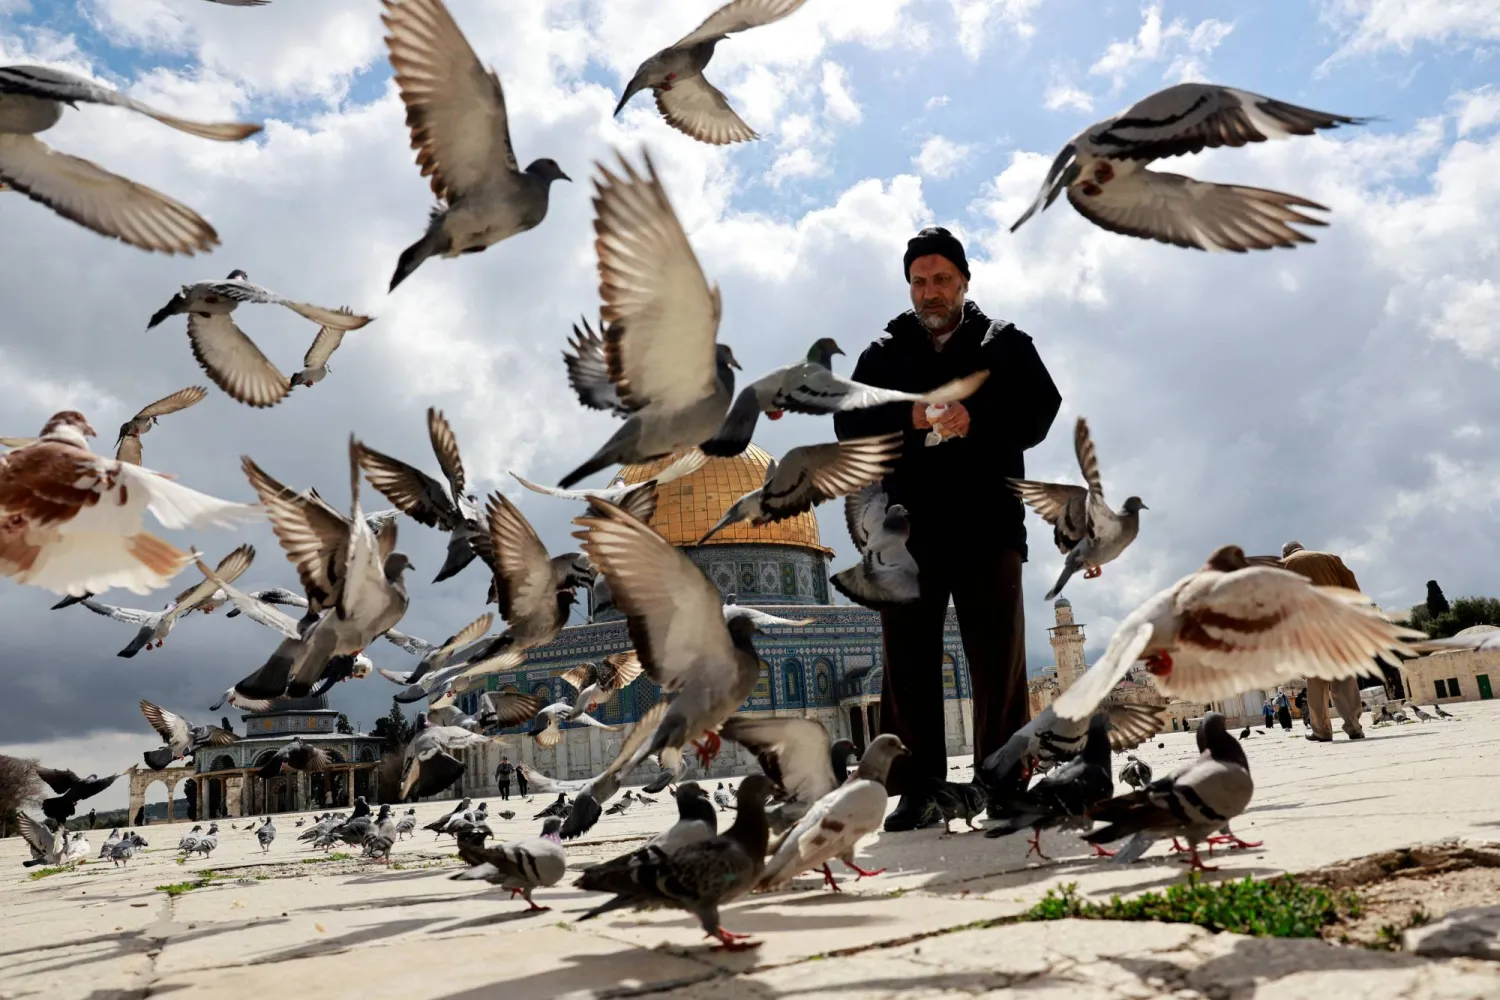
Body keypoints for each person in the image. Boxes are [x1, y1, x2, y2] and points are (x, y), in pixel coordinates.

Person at [834, 226, 1062, 831]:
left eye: (941, 279)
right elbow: (847, 421)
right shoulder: (884, 354)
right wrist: (911, 414)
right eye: (919, 281)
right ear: (909, 286)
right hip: (906, 535)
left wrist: (975, 418)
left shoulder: (1004, 344)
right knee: (906, 665)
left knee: (998, 661)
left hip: (988, 526)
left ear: (963, 280)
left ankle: (1005, 780)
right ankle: (920, 788)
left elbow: (1040, 411)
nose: (930, 292)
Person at [1280, 541, 1368, 741]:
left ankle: (1321, 730)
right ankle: (1354, 727)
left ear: (1285, 553)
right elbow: (1353, 590)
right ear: (1302, 547)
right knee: (1344, 678)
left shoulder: (1283, 566)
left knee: (1317, 682)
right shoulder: (1329, 558)